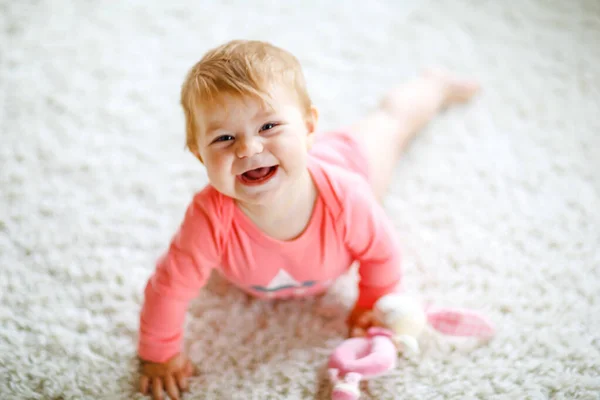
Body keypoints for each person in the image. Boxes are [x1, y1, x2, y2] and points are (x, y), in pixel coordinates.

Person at [137, 39, 480, 400]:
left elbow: (382, 253)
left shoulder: (346, 196)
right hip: (304, 162)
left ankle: (435, 84)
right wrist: (159, 354)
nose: (248, 149)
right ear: (199, 155)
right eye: (224, 138)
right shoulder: (208, 217)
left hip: (352, 160)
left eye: (268, 126)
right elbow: (169, 287)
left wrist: (371, 303)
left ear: (309, 127)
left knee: (391, 123)